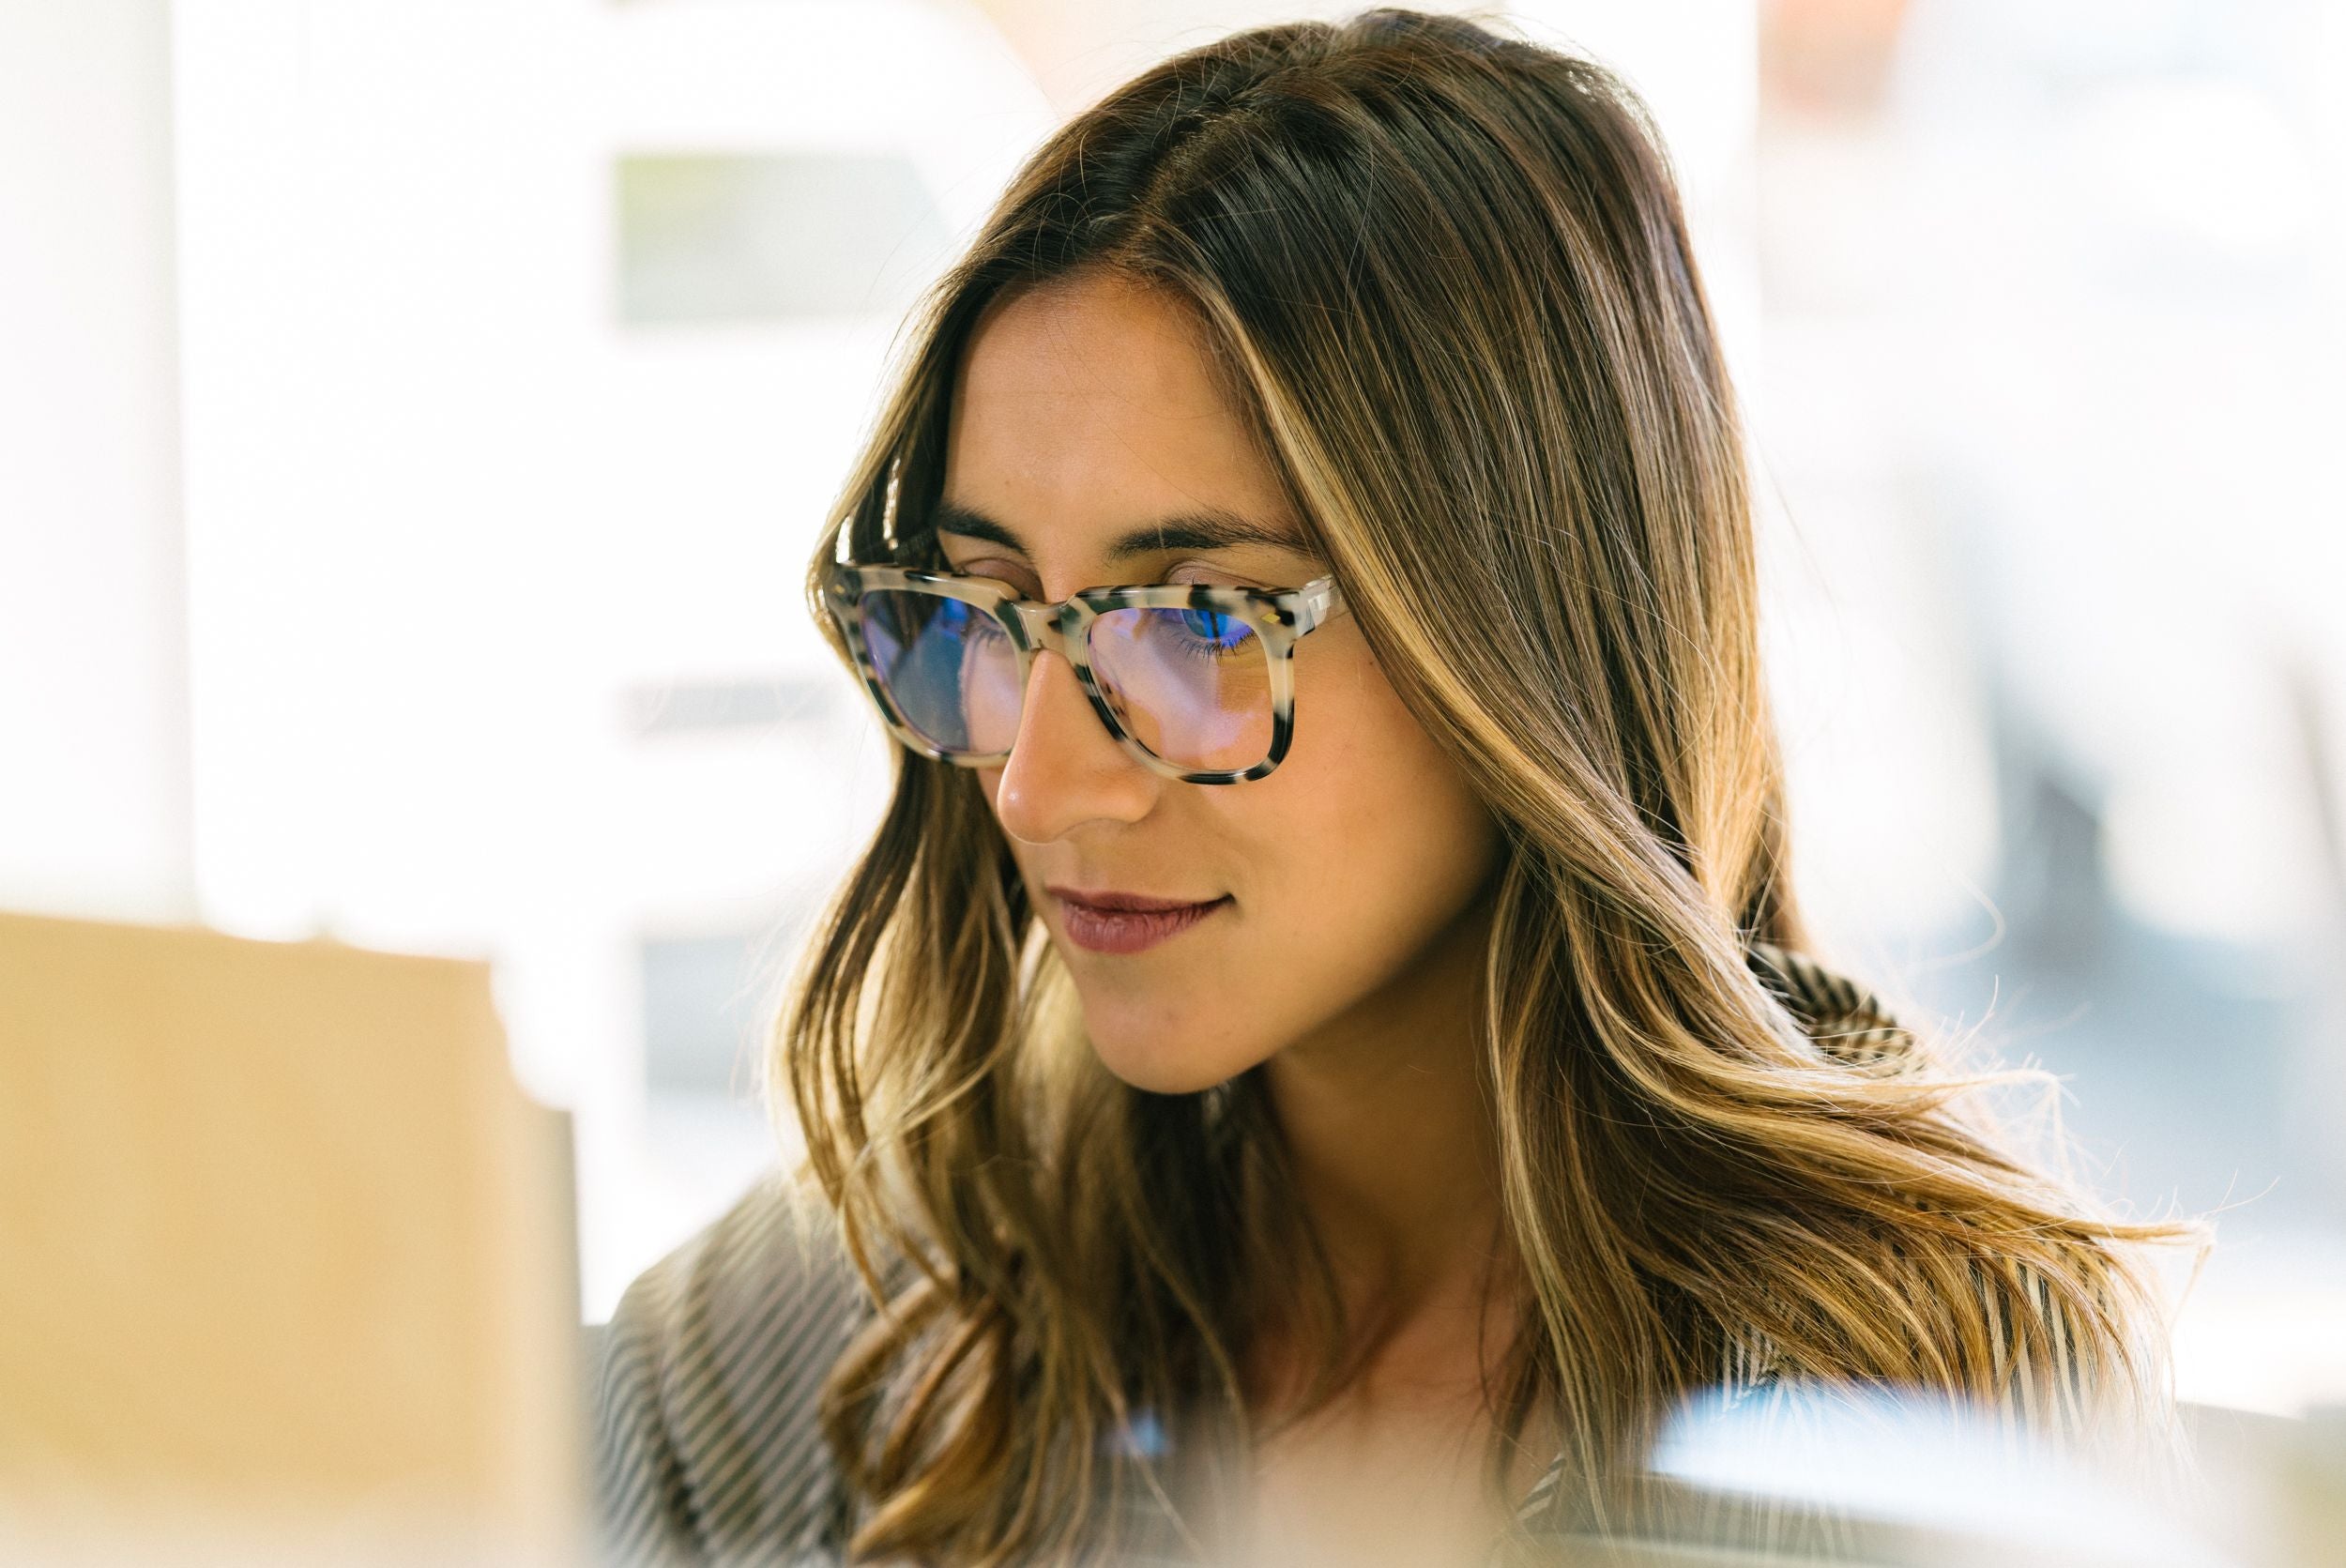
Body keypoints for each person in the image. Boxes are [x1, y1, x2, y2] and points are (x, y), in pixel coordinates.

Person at [590, 10, 2198, 1566]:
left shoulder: (1916, 1386)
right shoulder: (893, 1309)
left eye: (1200, 623)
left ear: (1523, 627)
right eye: (992, 613)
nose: (1039, 785)